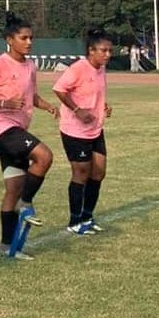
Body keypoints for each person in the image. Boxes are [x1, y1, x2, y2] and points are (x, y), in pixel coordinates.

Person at [0, 13, 58, 259]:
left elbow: (31, 96)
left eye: (31, 38)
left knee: (14, 188)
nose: (29, 42)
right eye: (24, 38)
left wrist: (47, 106)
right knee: (44, 156)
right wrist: (5, 103)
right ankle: (26, 203)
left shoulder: (30, 66)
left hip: (16, 129)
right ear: (10, 40)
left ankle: (6, 246)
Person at [53, 28, 112, 235]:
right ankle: (74, 221)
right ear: (91, 50)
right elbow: (59, 89)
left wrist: (103, 106)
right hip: (74, 130)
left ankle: (87, 217)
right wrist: (77, 110)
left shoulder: (101, 69)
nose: (107, 54)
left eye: (109, 51)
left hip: (95, 129)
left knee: (99, 172)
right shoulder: (79, 68)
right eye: (103, 50)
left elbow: (93, 94)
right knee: (81, 173)